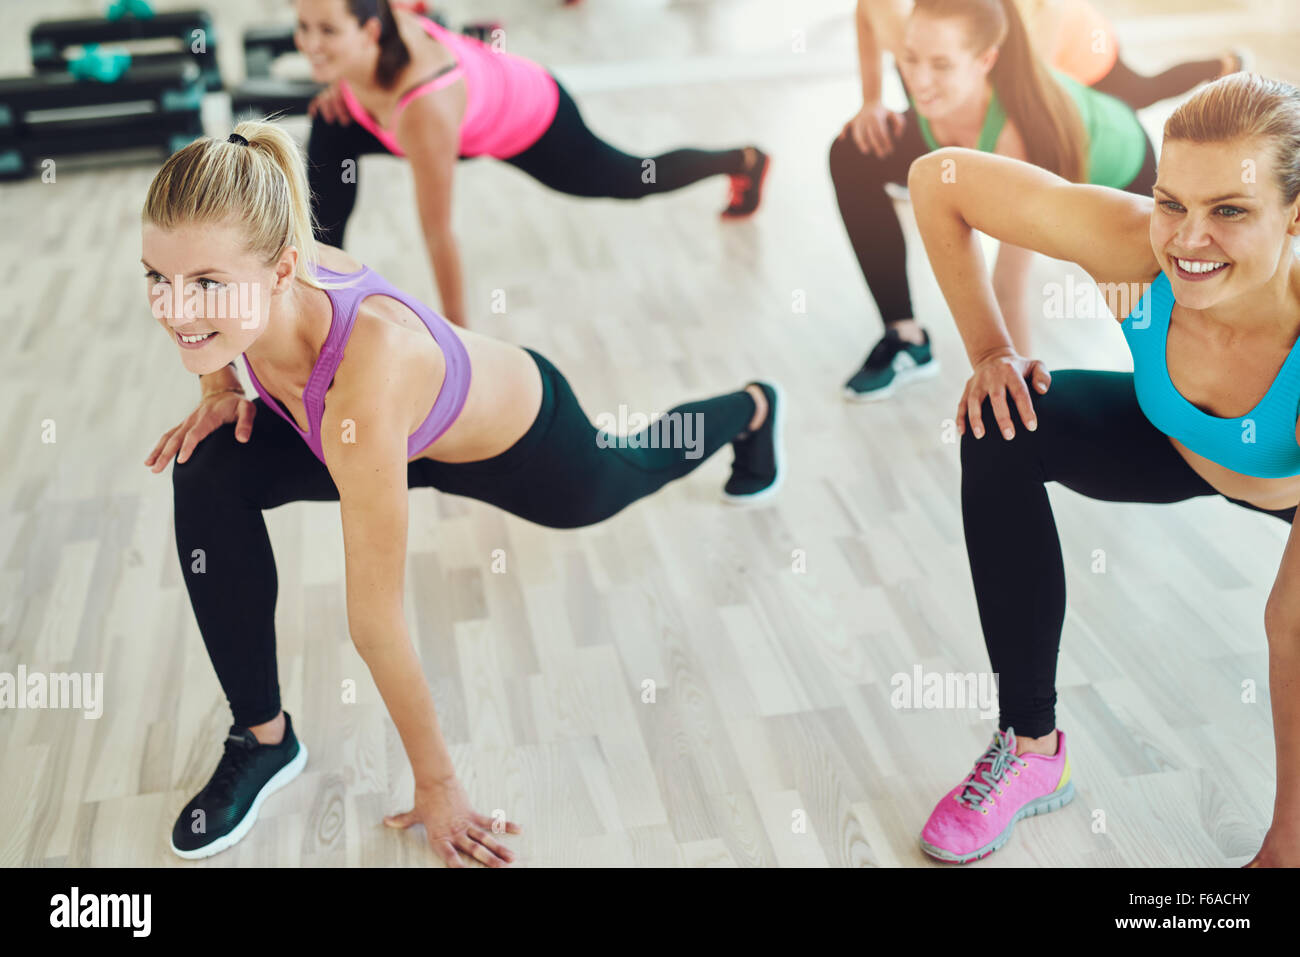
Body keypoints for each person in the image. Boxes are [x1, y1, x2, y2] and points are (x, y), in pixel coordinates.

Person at [142, 121, 785, 866]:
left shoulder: (363, 372)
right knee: (209, 463)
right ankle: (262, 738)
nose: (174, 309)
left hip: (513, 435)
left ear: (284, 272)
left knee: (625, 473)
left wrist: (438, 782)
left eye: (206, 286)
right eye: (157, 277)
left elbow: (376, 622)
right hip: (367, 437)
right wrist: (220, 384)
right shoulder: (244, 265)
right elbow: (199, 326)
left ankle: (753, 407)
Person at [906, 71, 1300, 867]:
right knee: (1001, 423)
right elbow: (936, 178)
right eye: (1172, 203)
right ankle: (1031, 748)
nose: (1188, 240)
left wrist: (1285, 846)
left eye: (1230, 210)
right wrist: (991, 350)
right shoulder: (1129, 245)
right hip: (1183, 444)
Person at [299, 0, 771, 327]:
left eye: (327, 31)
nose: (309, 44)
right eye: (303, 27)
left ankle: (743, 160)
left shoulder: (425, 110)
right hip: (458, 110)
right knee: (330, 125)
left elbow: (439, 234)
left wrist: (459, 340)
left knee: (629, 178)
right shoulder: (368, 39)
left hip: (532, 115)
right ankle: (319, 286)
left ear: (370, 32)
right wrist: (340, 81)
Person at [832, 0, 1158, 402]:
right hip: (992, 127)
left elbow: (1007, 285)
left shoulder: (1016, 142)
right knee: (852, 152)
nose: (918, 80)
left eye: (941, 66)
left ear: (985, 60)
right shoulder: (927, 43)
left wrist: (1018, 393)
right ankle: (905, 338)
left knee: (1156, 314)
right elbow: (870, 10)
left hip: (1126, 164)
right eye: (909, 59)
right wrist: (872, 100)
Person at [1015, 0, 1248, 111]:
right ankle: (1221, 65)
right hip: (1089, 40)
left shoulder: (1045, 13)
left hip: (1090, 55)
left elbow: (1037, 75)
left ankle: (1223, 64)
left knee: (1141, 94)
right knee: (1142, 92)